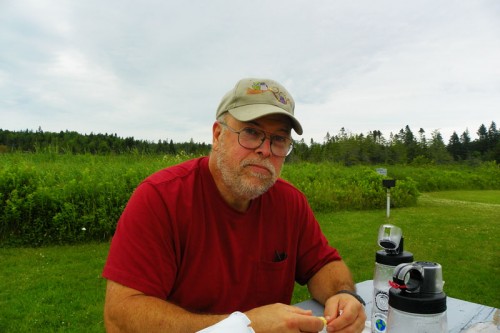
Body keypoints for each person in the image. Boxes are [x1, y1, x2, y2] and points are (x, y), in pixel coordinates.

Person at [102, 78, 366, 332]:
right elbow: (121, 316)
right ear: (218, 136)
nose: (265, 150)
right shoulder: (161, 198)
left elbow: (322, 265)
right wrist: (244, 328)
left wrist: (343, 295)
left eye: (279, 140)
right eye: (252, 132)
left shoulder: (290, 203)